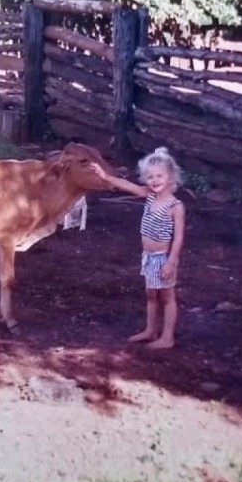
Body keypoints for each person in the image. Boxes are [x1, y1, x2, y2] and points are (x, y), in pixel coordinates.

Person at [94, 147, 186, 349]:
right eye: (150, 176)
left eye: (159, 176)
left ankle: (167, 337)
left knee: (167, 297)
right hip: (149, 256)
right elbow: (126, 184)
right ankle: (150, 330)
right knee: (151, 295)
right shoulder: (149, 196)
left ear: (171, 177)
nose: (154, 180)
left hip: (163, 258)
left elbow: (178, 238)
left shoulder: (175, 206)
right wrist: (106, 177)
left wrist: (171, 262)